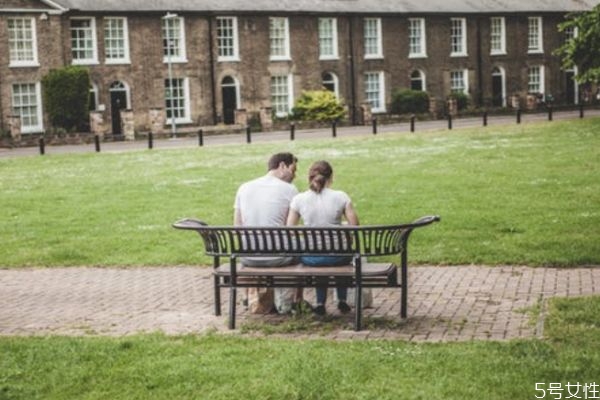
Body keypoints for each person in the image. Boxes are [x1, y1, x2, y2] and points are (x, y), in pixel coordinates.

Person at [286, 160, 359, 316]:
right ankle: (342, 301)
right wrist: (344, 230)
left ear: (310, 177)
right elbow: (355, 225)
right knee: (342, 252)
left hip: (312, 258)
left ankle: (320, 303)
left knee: (319, 257)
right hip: (340, 257)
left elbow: (290, 229)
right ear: (330, 177)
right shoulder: (341, 196)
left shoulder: (299, 199)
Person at [233, 152, 299, 314]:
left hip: (248, 257)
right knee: (302, 250)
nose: (294, 175)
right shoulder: (290, 190)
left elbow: (237, 226)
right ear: (282, 166)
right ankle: (295, 301)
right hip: (278, 257)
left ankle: (248, 296)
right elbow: (291, 230)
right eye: (293, 169)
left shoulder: (244, 187)